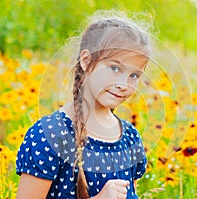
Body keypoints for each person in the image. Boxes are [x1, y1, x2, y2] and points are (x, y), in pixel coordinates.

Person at [16, 10, 152, 199]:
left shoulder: (130, 138)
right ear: (86, 61)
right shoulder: (50, 135)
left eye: (134, 75)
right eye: (115, 68)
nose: (123, 84)